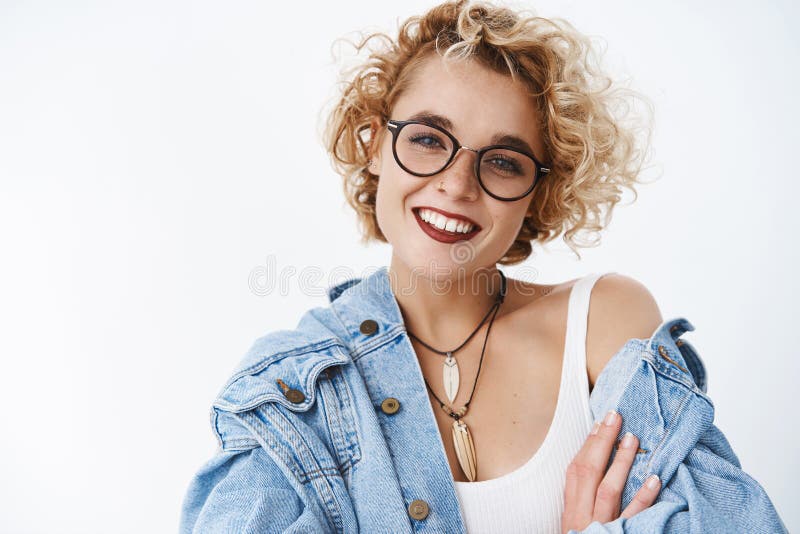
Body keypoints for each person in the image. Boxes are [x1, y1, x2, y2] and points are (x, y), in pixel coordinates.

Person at [179, 1, 787, 532]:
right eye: (426, 138)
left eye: (503, 161)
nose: (456, 185)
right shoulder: (291, 395)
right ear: (373, 144)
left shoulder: (602, 322)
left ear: (537, 193)